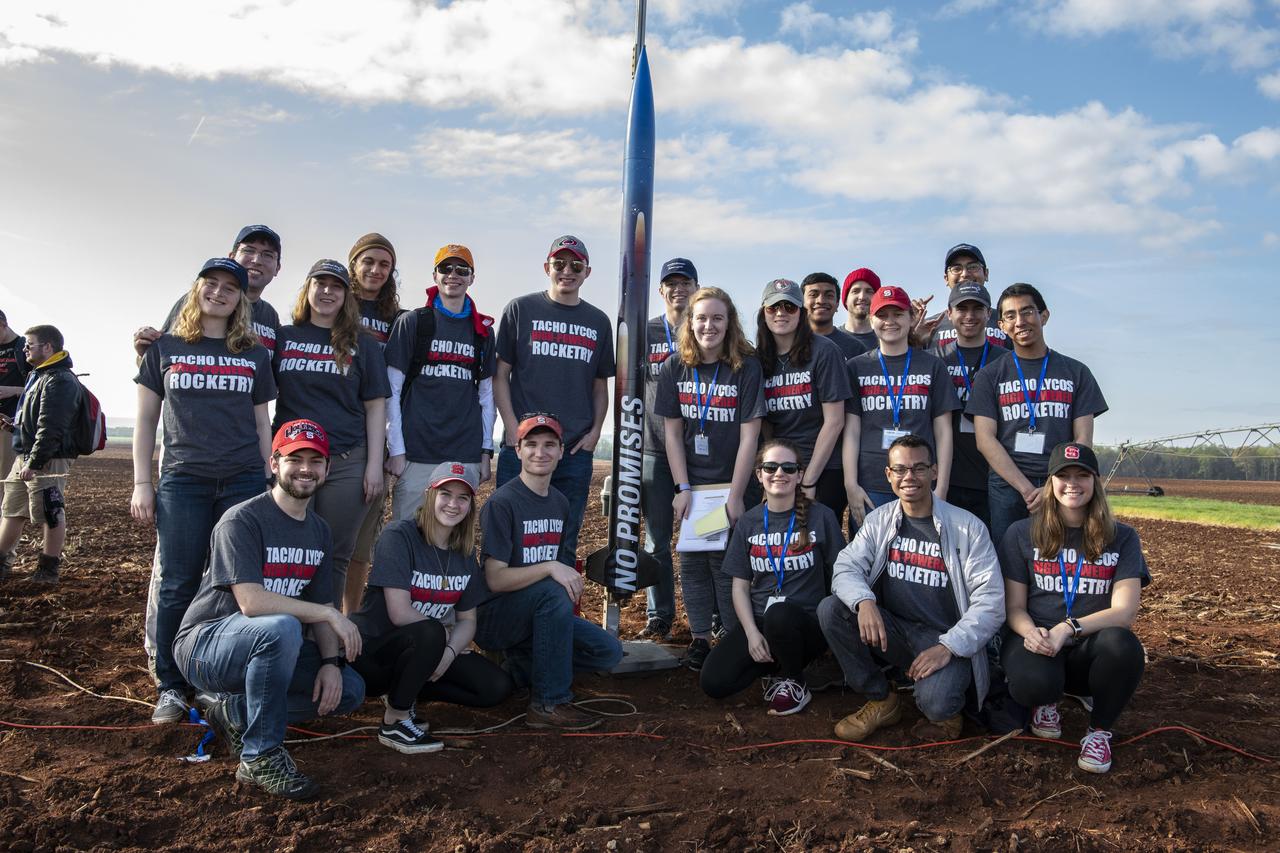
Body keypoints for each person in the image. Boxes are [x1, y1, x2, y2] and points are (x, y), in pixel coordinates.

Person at [173, 420, 365, 799]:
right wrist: (327, 615)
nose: (306, 468)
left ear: (327, 469)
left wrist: (330, 663)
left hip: (271, 646)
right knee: (281, 626)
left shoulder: (319, 531)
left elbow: (322, 603)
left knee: (349, 691)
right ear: (275, 463)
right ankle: (260, 755)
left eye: (316, 460)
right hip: (205, 648)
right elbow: (251, 602)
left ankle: (236, 713)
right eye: (296, 459)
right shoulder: (242, 519)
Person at [131, 258, 276, 724]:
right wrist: (142, 483)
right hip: (184, 480)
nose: (219, 292)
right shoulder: (166, 348)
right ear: (196, 291)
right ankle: (171, 685)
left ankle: (213, 679)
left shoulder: (252, 353)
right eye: (210, 284)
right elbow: (146, 421)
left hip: (242, 481)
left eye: (229, 288)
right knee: (177, 581)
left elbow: (261, 423)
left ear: (240, 300)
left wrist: (267, 478)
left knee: (232, 582)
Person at [819, 435, 1004, 742]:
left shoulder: (967, 528)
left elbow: (991, 602)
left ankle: (946, 713)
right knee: (833, 609)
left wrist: (948, 647)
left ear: (934, 472)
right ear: (888, 475)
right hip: (895, 630)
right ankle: (881, 698)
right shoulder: (880, 520)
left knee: (936, 703)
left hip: (947, 639)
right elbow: (845, 567)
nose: (910, 477)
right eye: (900, 469)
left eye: (919, 468)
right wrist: (865, 602)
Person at [999, 442, 1149, 774]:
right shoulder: (1021, 534)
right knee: (1033, 682)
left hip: (1087, 647)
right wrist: (1032, 633)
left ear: (1095, 481)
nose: (1072, 483)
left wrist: (1068, 627)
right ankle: (1046, 700)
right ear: (1050, 482)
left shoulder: (1122, 537)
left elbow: (1124, 613)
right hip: (1038, 642)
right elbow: (1014, 607)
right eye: (1063, 475)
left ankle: (1099, 731)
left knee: (1123, 646)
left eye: (1082, 475)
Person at [350, 461, 514, 754]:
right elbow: (399, 613)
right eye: (445, 494)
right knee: (431, 631)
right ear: (430, 495)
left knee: (495, 686)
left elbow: (468, 621)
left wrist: (448, 655)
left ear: (470, 505)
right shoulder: (399, 536)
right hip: (374, 655)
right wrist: (442, 639)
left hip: (426, 648)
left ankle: (406, 692)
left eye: (462, 498)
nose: (453, 504)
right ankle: (395, 721)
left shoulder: (464, 553)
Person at [476, 413, 622, 730]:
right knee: (552, 589)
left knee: (607, 651)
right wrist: (551, 567)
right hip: (496, 618)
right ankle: (548, 702)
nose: (539, 452)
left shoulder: (559, 502)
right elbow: (495, 579)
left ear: (560, 451)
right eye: (531, 444)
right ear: (517, 450)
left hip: (539, 614)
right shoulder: (503, 503)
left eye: (548, 445)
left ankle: (520, 668)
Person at [654, 286, 765, 670]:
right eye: (701, 318)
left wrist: (736, 495)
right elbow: (672, 431)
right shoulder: (674, 366)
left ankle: (733, 636)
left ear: (729, 322)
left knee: (726, 563)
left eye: (717, 318)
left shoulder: (745, 367)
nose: (708, 325)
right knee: (692, 563)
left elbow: (751, 434)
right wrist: (682, 487)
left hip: (730, 485)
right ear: (690, 322)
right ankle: (700, 637)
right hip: (695, 487)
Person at [273, 259, 389, 609]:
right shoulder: (284, 337)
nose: (326, 291)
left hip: (346, 460)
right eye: (319, 283)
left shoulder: (362, 345)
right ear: (306, 290)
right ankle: (288, 628)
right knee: (288, 550)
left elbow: (375, 406)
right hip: (294, 462)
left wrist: (372, 466)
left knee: (336, 554)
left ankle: (326, 640)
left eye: (336, 286)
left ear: (346, 295)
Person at [700, 440, 844, 714]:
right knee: (714, 682)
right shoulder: (748, 522)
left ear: (800, 475)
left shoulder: (821, 516)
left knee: (780, 614)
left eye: (788, 468)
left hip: (805, 624)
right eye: (771, 467)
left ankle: (794, 681)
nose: (780, 473)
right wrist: (753, 634)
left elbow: (841, 571)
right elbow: (740, 587)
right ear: (759, 475)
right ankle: (776, 663)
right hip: (762, 622)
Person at [493, 236, 613, 564]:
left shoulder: (598, 322)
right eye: (559, 264)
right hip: (523, 447)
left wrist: (593, 434)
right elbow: (500, 374)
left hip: (573, 450)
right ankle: (505, 615)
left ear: (587, 272)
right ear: (547, 268)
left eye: (576, 265)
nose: (567, 271)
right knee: (509, 539)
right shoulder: (520, 309)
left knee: (563, 539)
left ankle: (555, 613)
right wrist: (513, 427)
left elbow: (599, 386)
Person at [967, 283, 1109, 548]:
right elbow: (984, 439)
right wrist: (1025, 488)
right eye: (1010, 315)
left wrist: (1055, 486)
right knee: (1008, 562)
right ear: (1001, 325)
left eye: (1027, 312)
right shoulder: (990, 376)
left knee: (1061, 559)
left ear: (1044, 316)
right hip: (1007, 487)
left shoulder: (1076, 372)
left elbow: (1083, 438)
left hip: (1062, 485)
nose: (1020, 321)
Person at [385, 243, 496, 524]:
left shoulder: (482, 332)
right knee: (406, 531)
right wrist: (396, 451)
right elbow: (392, 391)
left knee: (453, 537)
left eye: (462, 269)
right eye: (445, 268)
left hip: (463, 451)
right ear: (434, 275)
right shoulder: (413, 322)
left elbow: (487, 398)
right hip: (416, 450)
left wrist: (484, 452)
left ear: (472, 277)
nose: (453, 275)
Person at [843, 285, 957, 524]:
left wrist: (943, 486)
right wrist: (850, 484)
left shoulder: (932, 366)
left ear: (911, 317)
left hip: (921, 482)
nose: (890, 321)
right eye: (882, 315)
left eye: (898, 314)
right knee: (871, 559)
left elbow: (943, 430)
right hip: (871, 482)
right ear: (872, 320)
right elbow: (851, 430)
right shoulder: (856, 367)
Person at [755, 278, 851, 532]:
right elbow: (765, 424)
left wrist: (808, 481)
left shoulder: (824, 351)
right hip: (780, 468)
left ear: (801, 312)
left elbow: (835, 421)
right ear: (763, 313)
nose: (781, 313)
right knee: (781, 542)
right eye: (773, 307)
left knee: (817, 543)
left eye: (789, 307)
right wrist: (772, 469)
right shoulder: (758, 358)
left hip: (823, 467)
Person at [344, 232, 405, 614]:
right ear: (353, 265)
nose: (376, 270)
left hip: (373, 438)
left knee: (360, 544)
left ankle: (349, 616)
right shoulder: (332, 304)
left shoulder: (397, 321)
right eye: (368, 261)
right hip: (330, 435)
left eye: (385, 264)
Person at [638, 257, 697, 641]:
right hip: (654, 451)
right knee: (657, 538)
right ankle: (659, 614)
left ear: (696, 287)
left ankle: (707, 617)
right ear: (660, 290)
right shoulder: (645, 331)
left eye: (685, 282)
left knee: (705, 538)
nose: (677, 289)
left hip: (701, 454)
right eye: (670, 283)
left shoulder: (707, 329)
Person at [0, 324, 78, 584]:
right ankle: (1, 565)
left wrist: (35, 462)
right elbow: (36, 419)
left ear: (48, 347)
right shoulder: (39, 375)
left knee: (50, 511)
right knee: (12, 510)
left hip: (47, 457)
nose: (24, 349)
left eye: (29, 345)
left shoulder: (60, 379)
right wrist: (14, 424)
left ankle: (48, 571)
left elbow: (52, 426)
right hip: (26, 452)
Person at [134, 225, 285, 357]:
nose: (256, 260)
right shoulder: (202, 301)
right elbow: (163, 360)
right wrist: (144, 352)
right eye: (249, 250)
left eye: (267, 255)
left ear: (277, 268)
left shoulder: (270, 315)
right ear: (231, 257)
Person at [930, 283, 1009, 529]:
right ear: (949, 313)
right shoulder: (935, 358)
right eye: (962, 308)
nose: (970, 316)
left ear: (989, 315)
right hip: (947, 476)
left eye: (978, 309)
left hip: (991, 475)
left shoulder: (1006, 361)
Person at [911, 243, 1011, 351]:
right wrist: (910, 333)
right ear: (946, 278)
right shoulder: (929, 326)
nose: (965, 274)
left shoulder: (1008, 322)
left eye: (973, 267)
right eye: (956, 268)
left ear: (986, 274)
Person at [0, 310, 31, 504]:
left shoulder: (24, 349)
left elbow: (43, 388)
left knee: (5, 476)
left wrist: (14, 390)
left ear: (3, 324)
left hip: (10, 423)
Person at [801, 272, 866, 361]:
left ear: (837, 304)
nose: (821, 301)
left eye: (829, 295)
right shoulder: (789, 344)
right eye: (813, 295)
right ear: (802, 302)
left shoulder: (855, 348)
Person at [840, 268, 882, 353]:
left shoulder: (887, 341)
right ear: (845, 300)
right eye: (855, 291)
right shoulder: (832, 340)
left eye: (869, 291)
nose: (862, 297)